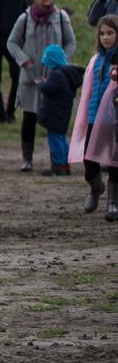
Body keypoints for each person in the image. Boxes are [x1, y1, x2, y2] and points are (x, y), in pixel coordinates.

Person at [6, 0, 77, 173]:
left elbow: (71, 43)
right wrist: (24, 60)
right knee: (29, 117)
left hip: (55, 79)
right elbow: (11, 43)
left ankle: (59, 162)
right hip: (30, 77)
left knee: (55, 122)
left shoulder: (61, 17)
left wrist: (61, 61)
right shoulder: (25, 18)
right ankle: (27, 160)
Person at [70, 15, 118, 218]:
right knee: (90, 161)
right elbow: (89, 92)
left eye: (110, 33)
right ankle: (96, 187)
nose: (106, 37)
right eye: (102, 33)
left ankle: (113, 203)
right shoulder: (96, 60)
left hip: (114, 119)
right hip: (93, 117)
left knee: (115, 161)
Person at [36, 44, 81, 178]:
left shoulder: (56, 74)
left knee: (55, 140)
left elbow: (48, 89)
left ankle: (59, 166)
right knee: (61, 138)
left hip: (54, 114)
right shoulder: (66, 74)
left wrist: (41, 84)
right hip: (63, 113)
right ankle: (65, 164)